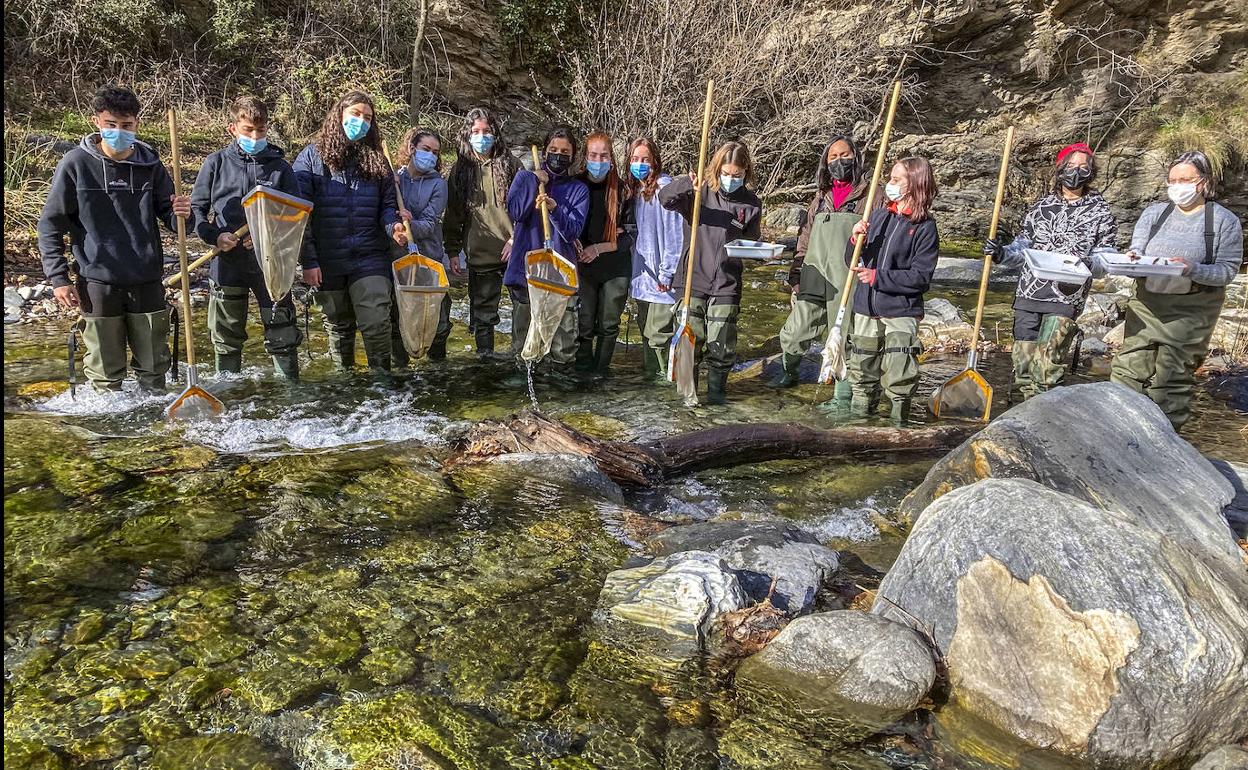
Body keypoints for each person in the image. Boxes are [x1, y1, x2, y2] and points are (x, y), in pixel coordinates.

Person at [39, 85, 191, 393]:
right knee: (105, 376)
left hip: (146, 278)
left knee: (154, 372)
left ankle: (155, 438)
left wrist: (184, 213)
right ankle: (109, 434)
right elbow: (50, 225)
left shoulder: (151, 165)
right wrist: (58, 278)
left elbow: (176, 224)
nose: (119, 131)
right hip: (97, 280)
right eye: (111, 125)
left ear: (137, 123)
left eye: (126, 125)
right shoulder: (75, 164)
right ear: (97, 122)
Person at [1110, 150, 1243, 429]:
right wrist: (1132, 258)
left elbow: (1227, 272)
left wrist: (1192, 269)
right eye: (1173, 180)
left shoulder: (1223, 221)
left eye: (1186, 179)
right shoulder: (1153, 214)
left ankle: (1166, 443)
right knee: (1126, 372)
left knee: (1171, 383)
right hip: (1146, 305)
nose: (1178, 186)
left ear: (1204, 181)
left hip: (1190, 314)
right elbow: (1137, 249)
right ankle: (1119, 430)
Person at [983, 142, 1117, 401]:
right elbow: (1023, 248)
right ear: (1060, 168)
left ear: (1091, 172)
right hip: (1029, 292)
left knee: (1046, 367)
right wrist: (1001, 253)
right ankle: (1024, 417)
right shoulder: (1040, 207)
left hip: (1066, 296)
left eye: (1083, 167)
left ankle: (1046, 420)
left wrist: (1090, 264)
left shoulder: (1101, 211)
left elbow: (1106, 258)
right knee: (1022, 365)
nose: (1076, 171)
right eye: (1071, 165)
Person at [190, 95, 303, 379]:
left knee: (283, 333)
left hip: (271, 264)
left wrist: (270, 234)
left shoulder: (280, 168)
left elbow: (298, 215)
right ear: (233, 129)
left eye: (261, 130)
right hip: (226, 262)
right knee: (226, 336)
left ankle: (290, 392)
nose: (255, 136)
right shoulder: (215, 164)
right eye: (248, 130)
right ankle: (229, 391)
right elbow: (196, 211)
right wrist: (215, 237)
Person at [293, 91, 406, 373]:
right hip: (327, 257)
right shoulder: (311, 157)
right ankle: (345, 381)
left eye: (367, 117)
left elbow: (387, 207)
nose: (361, 121)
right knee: (338, 324)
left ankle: (382, 380)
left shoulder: (378, 160)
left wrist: (394, 227)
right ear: (339, 115)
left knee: (376, 319)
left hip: (370, 256)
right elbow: (299, 215)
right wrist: (309, 261)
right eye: (356, 114)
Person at [769, 133, 879, 411]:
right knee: (795, 331)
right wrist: (796, 275)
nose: (839, 161)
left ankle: (841, 396)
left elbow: (881, 238)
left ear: (856, 157)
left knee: (843, 335)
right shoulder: (820, 198)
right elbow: (805, 239)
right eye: (833, 157)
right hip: (815, 274)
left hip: (848, 277)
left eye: (845, 155)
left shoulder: (871, 195)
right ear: (825, 163)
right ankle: (789, 370)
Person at [659, 140, 763, 404]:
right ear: (716, 171)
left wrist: (759, 251)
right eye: (725, 174)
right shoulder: (698, 194)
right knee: (690, 343)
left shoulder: (751, 204)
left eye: (736, 175)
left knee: (722, 345)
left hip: (727, 282)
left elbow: (751, 242)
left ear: (745, 172)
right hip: (693, 278)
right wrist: (686, 184)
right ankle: (688, 399)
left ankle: (717, 398)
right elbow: (665, 199)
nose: (730, 179)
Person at [845, 156, 939, 425]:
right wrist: (855, 240)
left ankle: (898, 425)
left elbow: (920, 277)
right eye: (890, 178)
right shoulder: (877, 216)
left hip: (900, 309)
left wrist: (879, 277)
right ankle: (858, 424)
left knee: (899, 373)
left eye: (897, 180)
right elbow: (851, 261)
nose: (890, 184)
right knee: (862, 370)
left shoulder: (925, 228)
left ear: (915, 184)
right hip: (866, 306)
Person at [503, 126, 590, 386]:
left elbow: (573, 230)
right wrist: (532, 179)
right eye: (553, 150)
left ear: (573, 155)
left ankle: (560, 390)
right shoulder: (525, 178)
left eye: (565, 152)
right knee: (524, 339)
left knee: (563, 341)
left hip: (559, 275)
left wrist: (554, 210)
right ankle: (526, 388)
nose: (558, 155)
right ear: (544, 151)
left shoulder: (578, 190)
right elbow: (516, 211)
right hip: (525, 270)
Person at [443, 108, 516, 359]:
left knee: (523, 307)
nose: (481, 136)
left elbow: (526, 210)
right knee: (483, 315)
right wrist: (452, 251)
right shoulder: (459, 171)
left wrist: (515, 239)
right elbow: (453, 214)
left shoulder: (511, 165)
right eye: (476, 132)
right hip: (479, 254)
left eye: (486, 132)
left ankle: (521, 359)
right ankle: (485, 363)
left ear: (495, 134)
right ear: (467, 134)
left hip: (513, 251)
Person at [574, 131, 632, 378]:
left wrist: (599, 247)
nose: (598, 161)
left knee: (608, 325)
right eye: (593, 155)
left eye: (604, 156)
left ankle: (601, 373)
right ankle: (583, 372)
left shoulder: (623, 189)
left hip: (615, 266)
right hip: (583, 265)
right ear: (585, 157)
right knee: (584, 323)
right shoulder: (575, 184)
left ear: (612, 158)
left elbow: (629, 235)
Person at [626, 137, 685, 382]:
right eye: (635, 159)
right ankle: (651, 375)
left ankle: (665, 380)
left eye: (645, 160)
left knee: (658, 332)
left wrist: (667, 272)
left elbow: (675, 235)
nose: (640, 164)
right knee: (644, 329)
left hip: (662, 278)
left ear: (655, 162)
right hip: (642, 276)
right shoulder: (637, 191)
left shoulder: (664, 189)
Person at [392, 127, 451, 360]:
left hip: (430, 258)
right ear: (412, 148)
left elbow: (429, 223)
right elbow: (387, 212)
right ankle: (400, 370)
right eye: (426, 149)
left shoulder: (439, 185)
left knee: (437, 320)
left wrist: (410, 225)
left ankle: (437, 368)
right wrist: (396, 227)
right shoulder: (395, 179)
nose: (431, 156)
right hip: (399, 259)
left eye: (435, 152)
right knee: (398, 316)